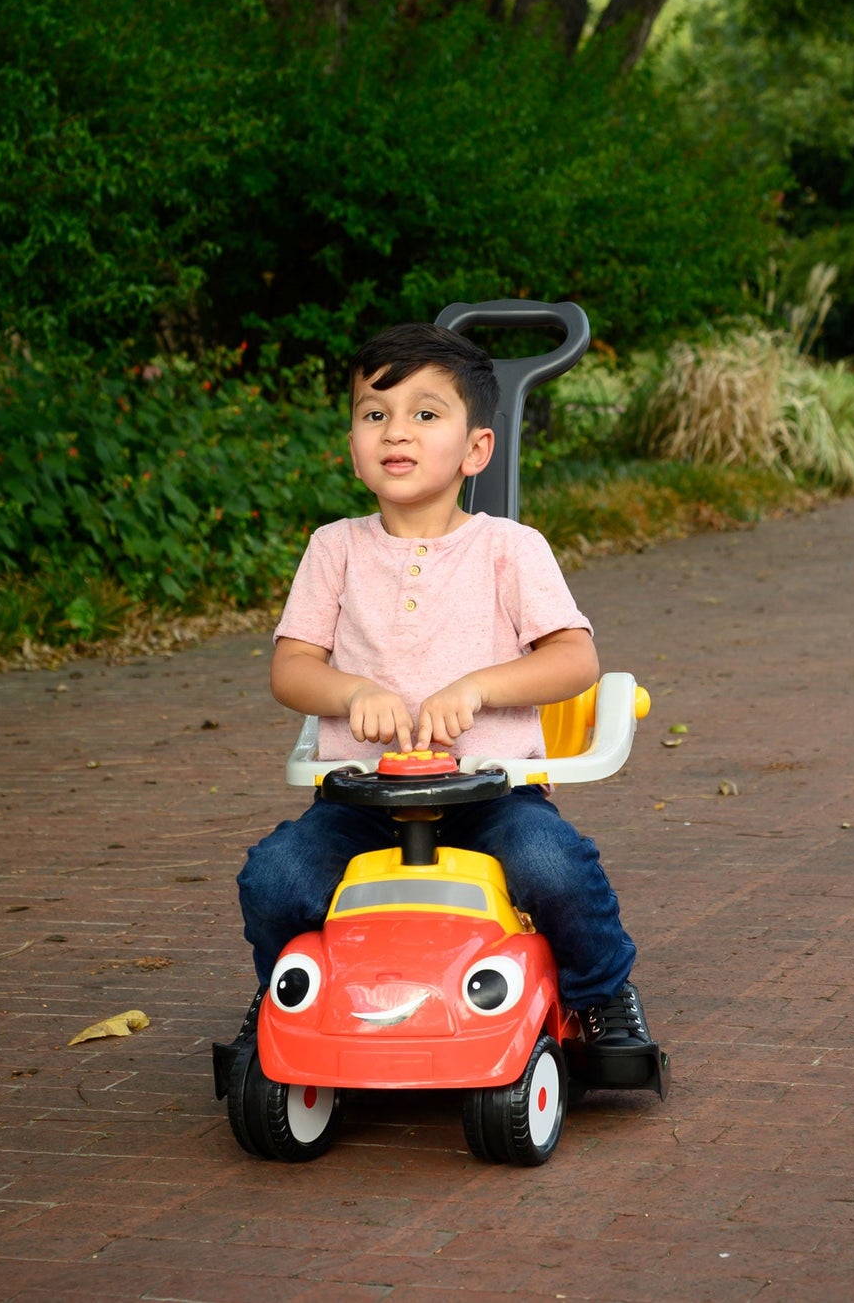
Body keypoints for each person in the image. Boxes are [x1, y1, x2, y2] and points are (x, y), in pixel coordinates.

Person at [231, 322, 655, 1055]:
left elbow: (574, 659)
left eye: (425, 413)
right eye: (374, 413)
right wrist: (349, 691)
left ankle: (601, 992)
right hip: (363, 799)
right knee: (275, 876)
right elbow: (291, 667)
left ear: (476, 449)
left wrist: (484, 686)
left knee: (550, 865)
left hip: (493, 796)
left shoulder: (508, 550)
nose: (396, 430)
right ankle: (285, 997)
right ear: (353, 441)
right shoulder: (333, 549)